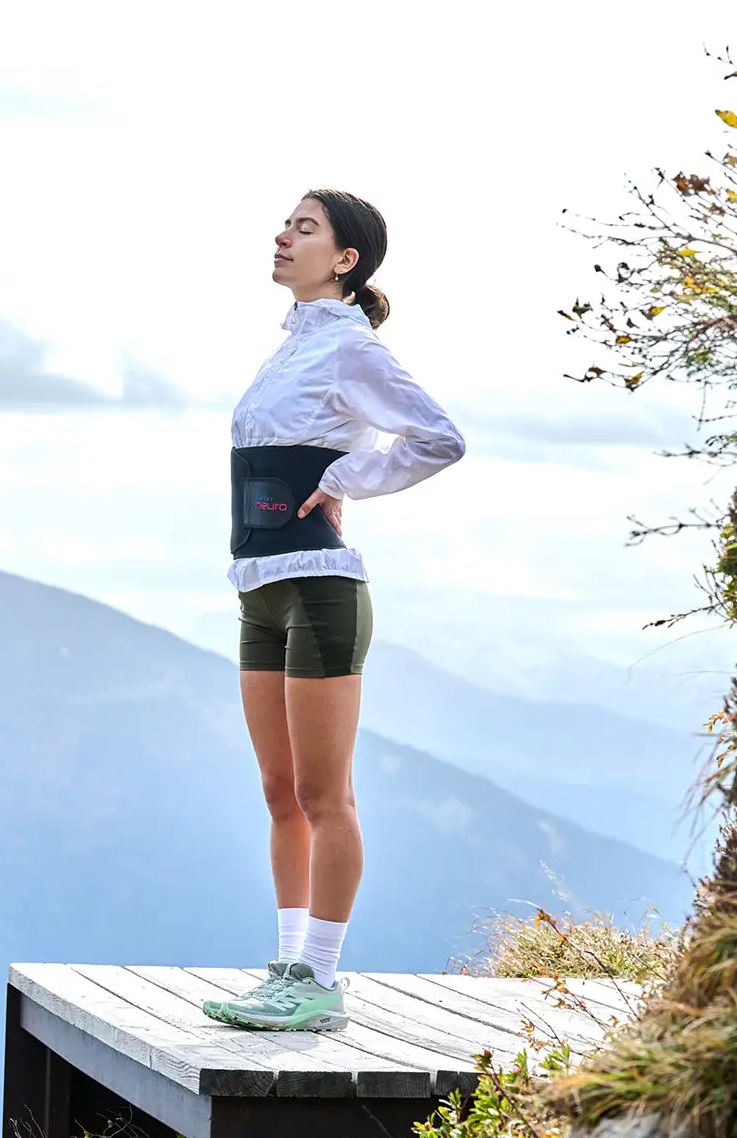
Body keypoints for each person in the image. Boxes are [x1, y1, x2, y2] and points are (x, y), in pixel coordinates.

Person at [200, 189, 465, 1034]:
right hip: (259, 589)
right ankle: (285, 967)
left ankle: (320, 979)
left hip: (320, 587)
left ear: (346, 259)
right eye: (286, 224)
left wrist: (349, 481)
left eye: (304, 228)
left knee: (324, 794)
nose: (283, 236)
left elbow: (438, 438)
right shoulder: (287, 350)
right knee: (279, 792)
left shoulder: (352, 349)